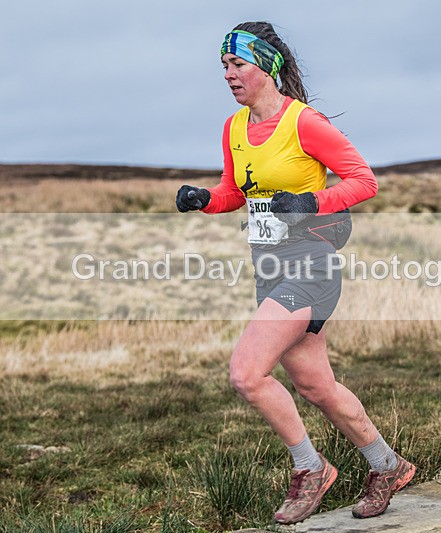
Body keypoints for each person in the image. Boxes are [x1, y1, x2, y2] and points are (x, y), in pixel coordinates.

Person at [176, 21, 415, 524]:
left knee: (247, 373)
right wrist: (204, 199)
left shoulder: (303, 122)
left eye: (238, 64)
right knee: (316, 386)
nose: (228, 74)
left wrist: (310, 201)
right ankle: (387, 465)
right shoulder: (234, 128)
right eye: (224, 66)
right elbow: (234, 192)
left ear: (267, 66)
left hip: (310, 263)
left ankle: (311, 468)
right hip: (268, 266)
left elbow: (363, 180)